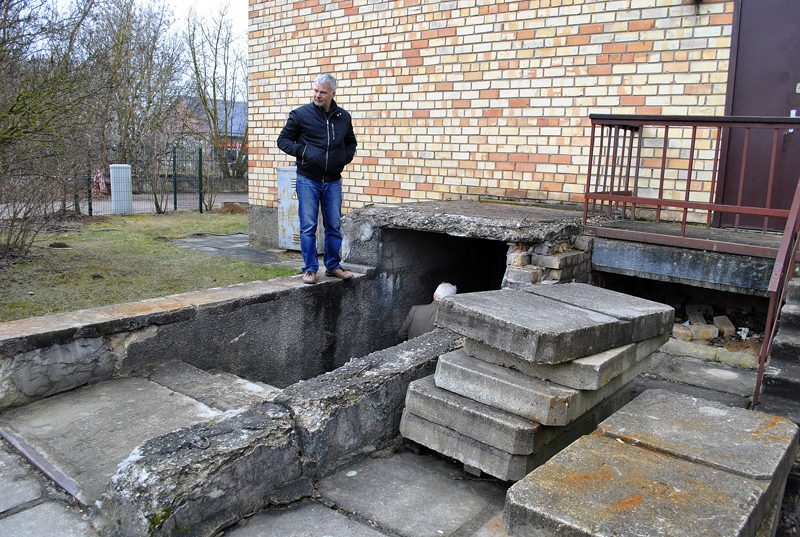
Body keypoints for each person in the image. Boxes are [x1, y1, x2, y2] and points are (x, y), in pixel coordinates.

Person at [277, 74, 358, 285]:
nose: (317, 95)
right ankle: (310, 269)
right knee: (308, 226)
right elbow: (283, 140)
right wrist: (304, 152)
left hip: (332, 181)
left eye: (322, 92)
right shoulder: (301, 115)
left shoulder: (343, 117)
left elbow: (351, 143)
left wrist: (344, 157)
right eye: (315, 90)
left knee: (334, 225)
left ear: (333, 93)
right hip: (308, 179)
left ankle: (333, 266)